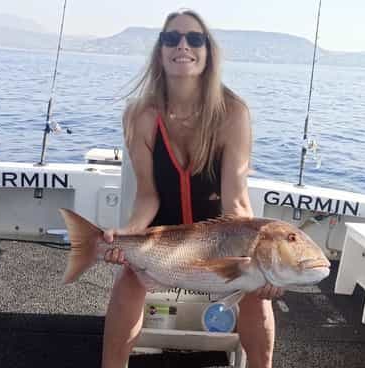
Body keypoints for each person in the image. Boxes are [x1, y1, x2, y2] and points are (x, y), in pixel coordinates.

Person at [99, 9, 283, 368]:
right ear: (160, 51)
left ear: (208, 51)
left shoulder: (233, 112)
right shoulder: (141, 115)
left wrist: (258, 264)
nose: (182, 45)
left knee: (257, 297)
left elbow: (235, 201)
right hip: (164, 236)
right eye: (172, 38)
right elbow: (148, 194)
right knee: (126, 285)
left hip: (219, 239)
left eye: (194, 38)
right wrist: (129, 234)